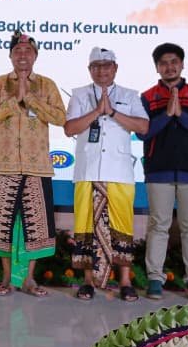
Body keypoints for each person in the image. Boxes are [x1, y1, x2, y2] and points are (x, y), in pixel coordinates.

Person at [0, 31, 65, 297]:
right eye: (18, 51)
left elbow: (60, 118)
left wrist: (33, 100)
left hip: (37, 167)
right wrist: (14, 101)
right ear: (11, 55)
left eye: (28, 51)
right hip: (4, 167)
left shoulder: (47, 85)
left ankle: (28, 279)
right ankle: (7, 278)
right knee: (3, 226)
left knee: (35, 227)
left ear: (35, 55)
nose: (23, 55)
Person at [64, 47, 149, 301]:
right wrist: (96, 111)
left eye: (106, 65)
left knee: (121, 227)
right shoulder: (79, 94)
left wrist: (112, 112)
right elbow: (70, 128)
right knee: (86, 227)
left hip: (119, 173)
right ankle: (88, 281)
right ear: (90, 70)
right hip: (88, 172)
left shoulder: (130, 95)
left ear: (115, 68)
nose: (102, 70)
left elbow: (143, 126)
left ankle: (125, 281)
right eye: (96, 66)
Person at [140, 42, 188, 300]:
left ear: (182, 64)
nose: (169, 67)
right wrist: (166, 114)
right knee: (158, 226)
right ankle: (154, 279)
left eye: (174, 62)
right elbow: (143, 132)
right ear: (157, 68)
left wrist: (181, 114)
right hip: (158, 171)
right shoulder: (148, 97)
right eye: (163, 63)